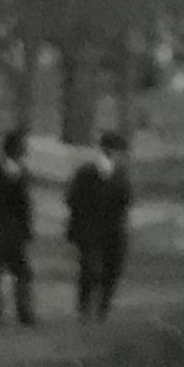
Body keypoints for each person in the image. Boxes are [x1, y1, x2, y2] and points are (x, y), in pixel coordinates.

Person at [66, 130, 132, 322]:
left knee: (112, 268)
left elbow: (126, 199)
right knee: (89, 268)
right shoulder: (87, 172)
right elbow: (73, 198)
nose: (117, 155)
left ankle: (103, 305)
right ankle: (84, 306)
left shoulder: (120, 173)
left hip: (113, 229)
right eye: (115, 150)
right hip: (90, 228)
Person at [0, 129, 39, 325]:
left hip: (15, 232)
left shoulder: (22, 174)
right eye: (21, 148)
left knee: (22, 273)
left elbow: (25, 207)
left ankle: (23, 311)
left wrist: (27, 229)